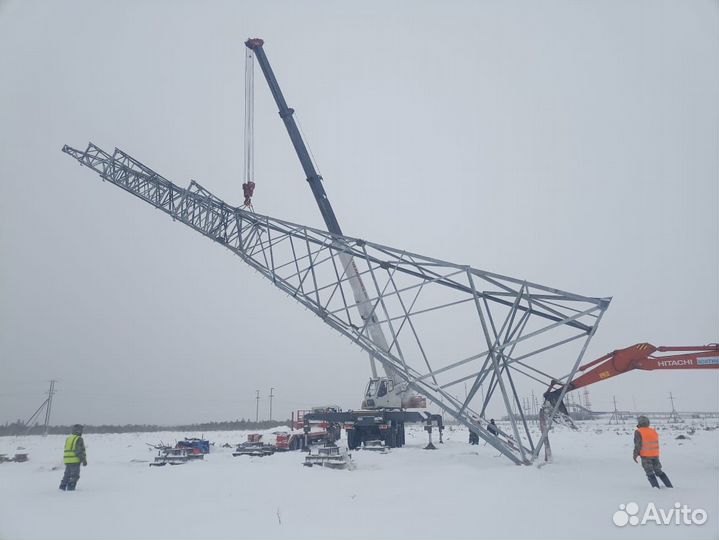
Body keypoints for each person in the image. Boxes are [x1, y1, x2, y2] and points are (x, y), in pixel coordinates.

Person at [633, 416, 672, 489]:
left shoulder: (638, 431)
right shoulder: (653, 431)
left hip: (646, 456)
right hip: (655, 455)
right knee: (659, 471)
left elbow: (638, 445)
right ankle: (669, 486)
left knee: (649, 473)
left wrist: (635, 455)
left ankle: (656, 489)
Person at [59, 424, 87, 491]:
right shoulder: (79, 439)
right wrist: (83, 460)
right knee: (74, 476)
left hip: (67, 460)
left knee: (67, 475)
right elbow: (78, 451)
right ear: (79, 431)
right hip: (75, 460)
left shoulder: (69, 438)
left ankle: (62, 487)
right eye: (81, 430)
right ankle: (71, 489)